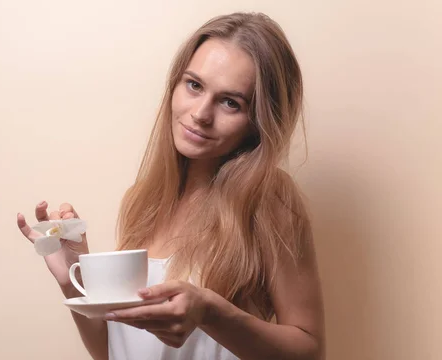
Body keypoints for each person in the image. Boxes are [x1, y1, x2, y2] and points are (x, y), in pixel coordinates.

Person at [17, 11, 325, 360]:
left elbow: (310, 352)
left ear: (258, 122)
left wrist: (210, 312)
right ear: (175, 85)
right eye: (194, 85)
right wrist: (75, 280)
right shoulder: (143, 200)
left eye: (230, 102)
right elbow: (113, 352)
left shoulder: (269, 200)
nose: (200, 113)